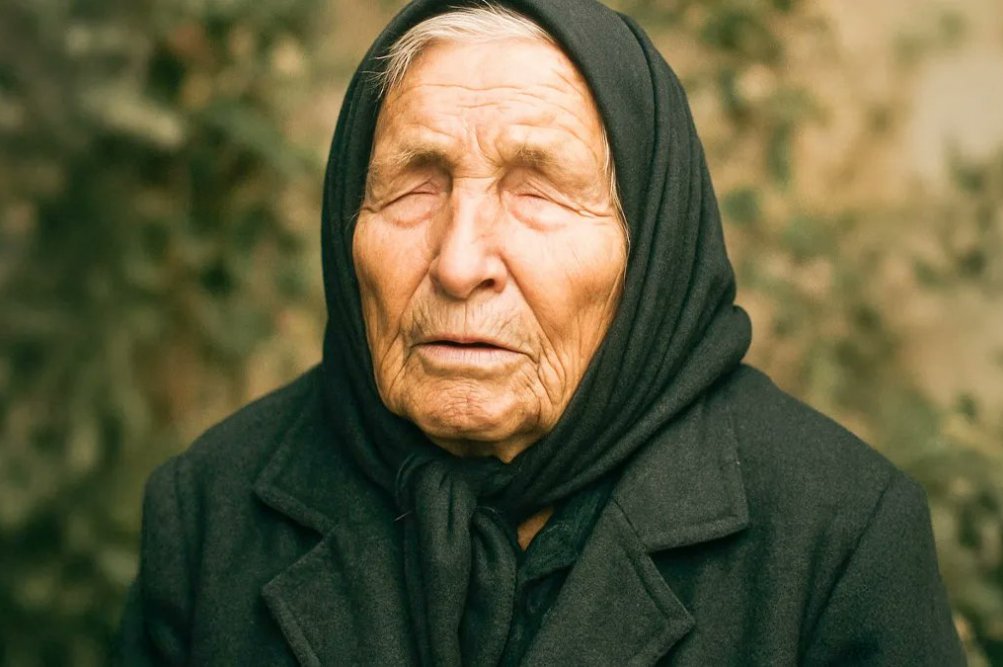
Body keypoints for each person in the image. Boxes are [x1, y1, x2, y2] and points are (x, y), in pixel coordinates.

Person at [117, 0, 965, 664]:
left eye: (537, 191)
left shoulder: (836, 538)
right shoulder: (210, 511)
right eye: (414, 184)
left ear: (646, 250)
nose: (458, 262)